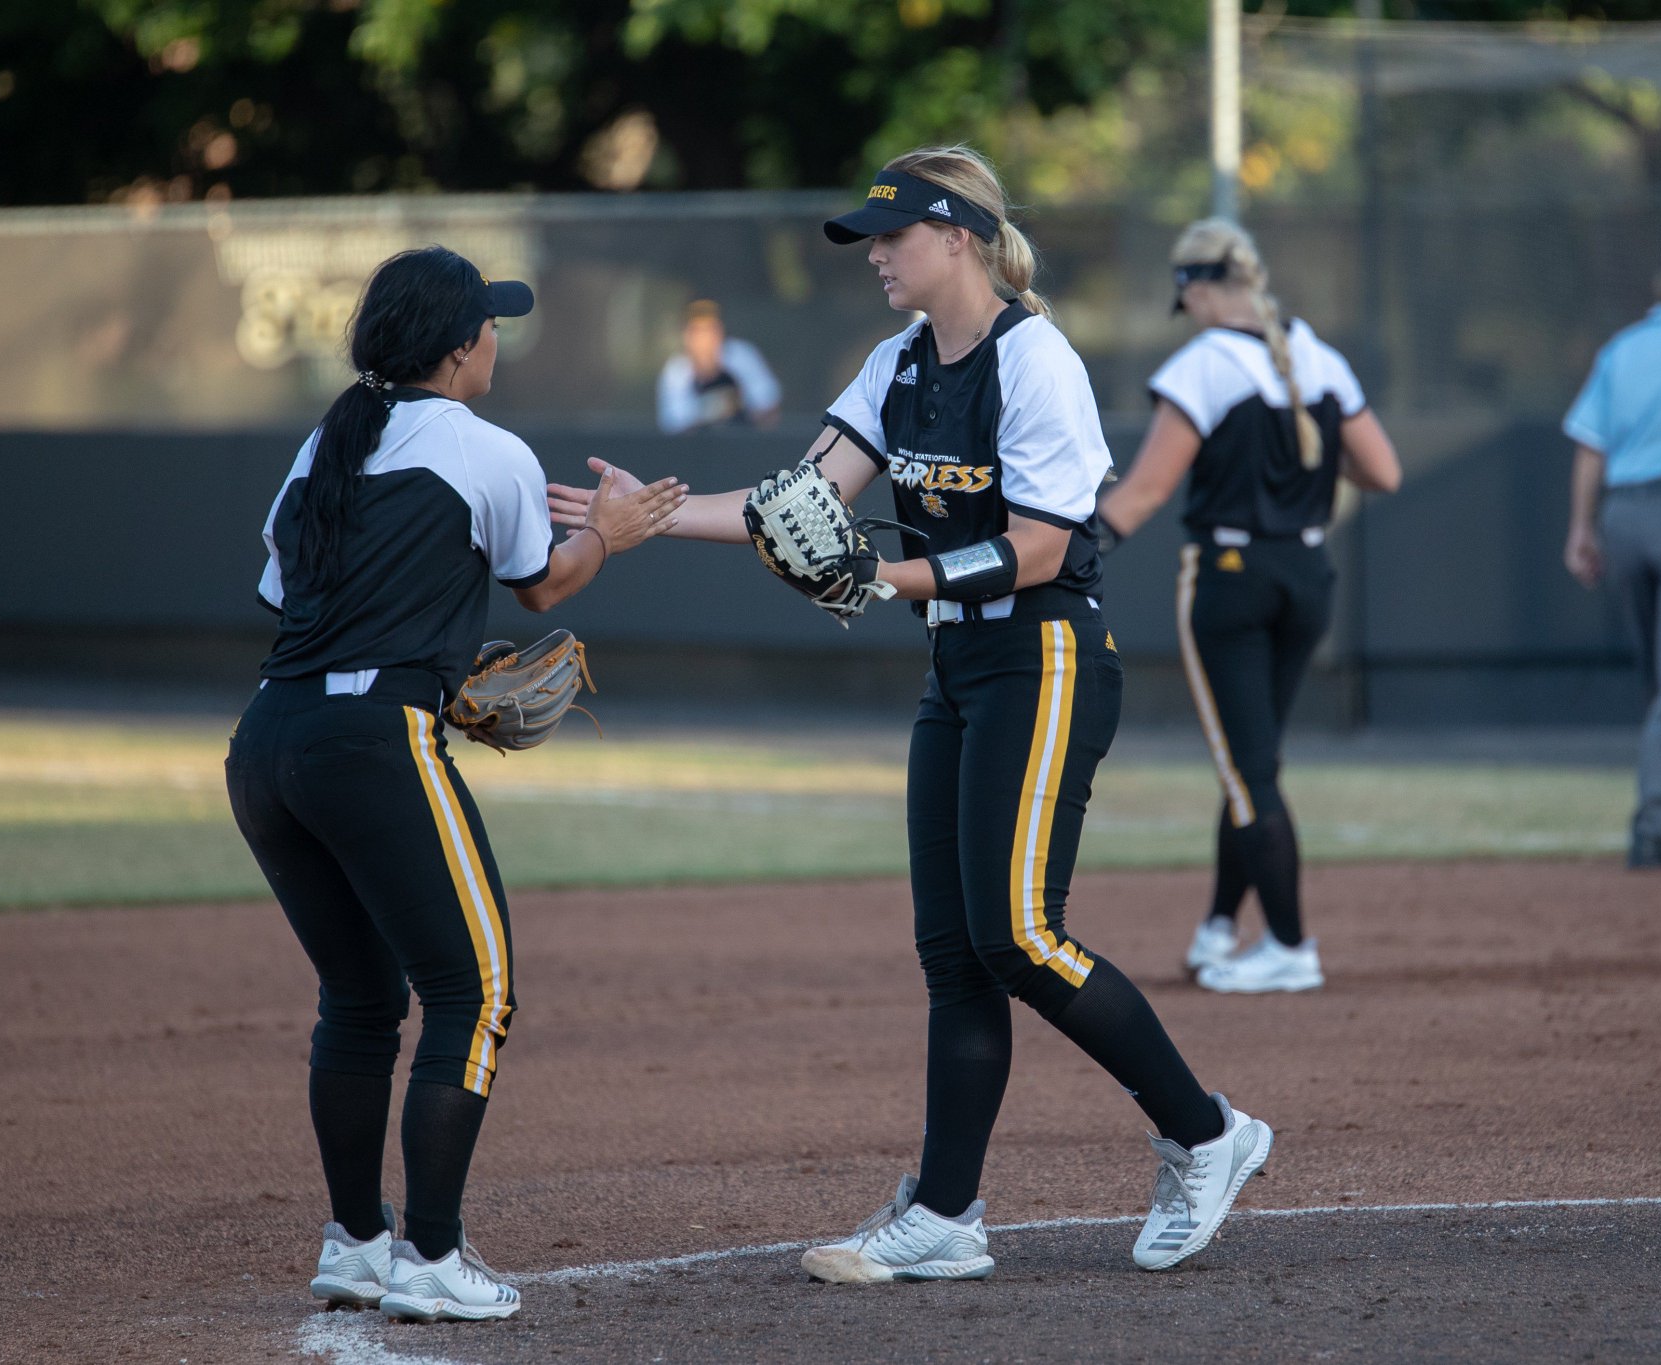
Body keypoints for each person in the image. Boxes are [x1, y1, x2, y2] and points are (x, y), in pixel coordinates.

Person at [549, 146, 1270, 1279]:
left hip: (1045, 656)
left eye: (891, 235)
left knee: (1018, 934)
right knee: (954, 952)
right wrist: (648, 515)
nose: (875, 255)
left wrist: (891, 578)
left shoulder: (1034, 359)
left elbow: (1043, 545)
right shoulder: (895, 364)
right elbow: (798, 499)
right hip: (960, 664)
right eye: (870, 239)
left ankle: (1206, 1133)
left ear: (957, 236)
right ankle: (945, 1213)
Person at [225, 246, 686, 1323]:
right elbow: (544, 587)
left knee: (359, 998)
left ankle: (355, 1242)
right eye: (489, 326)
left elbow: (288, 600)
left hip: (267, 744)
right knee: (473, 994)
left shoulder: (324, 445)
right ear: (455, 347)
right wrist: (607, 532)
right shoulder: (485, 449)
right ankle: (431, 1254)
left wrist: (423, 654)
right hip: (373, 743)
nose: (496, 341)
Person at [1095, 220, 1402, 994]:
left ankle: (1291, 946)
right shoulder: (1319, 357)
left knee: (1248, 770)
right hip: (1307, 573)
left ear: (1197, 289)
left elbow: (1145, 491)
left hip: (1232, 577)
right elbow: (1383, 472)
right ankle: (1218, 928)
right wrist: (1300, 461)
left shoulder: (1203, 365)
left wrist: (1066, 549)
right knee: (1251, 763)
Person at [1563, 227, 1661, 869]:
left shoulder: (1623, 347)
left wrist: (1581, 527)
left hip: (1625, 515)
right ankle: (1660, 823)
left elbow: (1590, 445)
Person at [656, 299, 782, 433]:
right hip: (698, 445)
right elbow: (675, 425)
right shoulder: (676, 371)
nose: (705, 338)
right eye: (697, 331)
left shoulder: (741, 356)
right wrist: (720, 404)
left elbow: (769, 409)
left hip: (743, 441)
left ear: (720, 331)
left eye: (710, 329)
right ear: (687, 336)